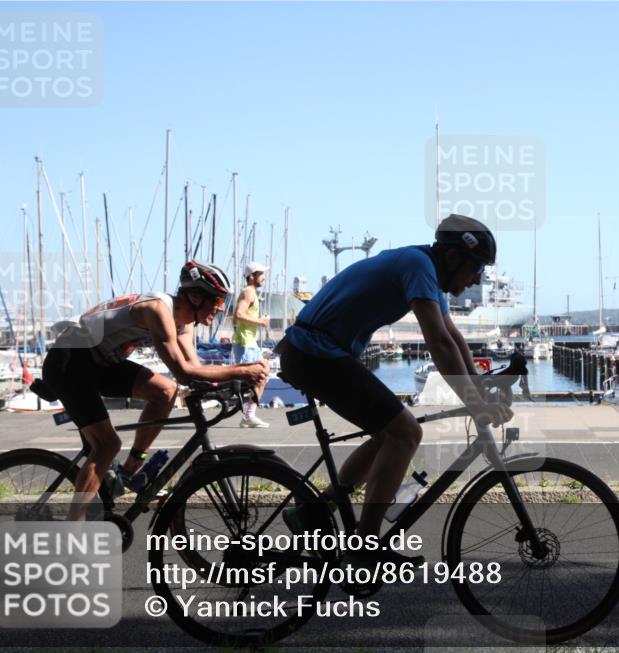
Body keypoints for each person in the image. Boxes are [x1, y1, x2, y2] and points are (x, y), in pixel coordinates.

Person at [276, 214, 513, 566]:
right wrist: (476, 404)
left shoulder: (428, 272)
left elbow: (454, 338)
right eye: (476, 267)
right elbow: (438, 343)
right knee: (405, 432)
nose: (477, 277)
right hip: (315, 351)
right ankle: (365, 548)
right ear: (451, 257)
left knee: (389, 434)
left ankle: (318, 509)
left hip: (322, 351)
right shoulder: (418, 265)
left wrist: (478, 391)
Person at [43, 261, 270, 520]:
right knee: (107, 445)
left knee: (165, 391)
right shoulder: (157, 310)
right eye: (217, 300)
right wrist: (242, 371)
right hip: (69, 360)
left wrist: (232, 383)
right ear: (195, 297)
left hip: (100, 362)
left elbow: (195, 370)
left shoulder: (185, 322)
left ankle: (129, 470)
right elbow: (184, 372)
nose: (220, 309)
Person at [233, 260, 272, 428]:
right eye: (261, 274)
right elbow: (238, 315)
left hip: (249, 342)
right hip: (244, 342)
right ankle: (248, 415)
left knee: (264, 375)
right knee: (260, 377)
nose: (263, 277)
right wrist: (260, 321)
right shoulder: (248, 292)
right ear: (251, 276)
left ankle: (249, 414)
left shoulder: (252, 293)